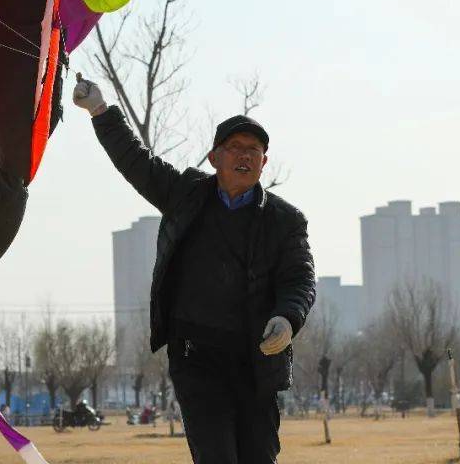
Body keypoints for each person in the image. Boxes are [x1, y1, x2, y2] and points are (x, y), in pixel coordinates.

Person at [73, 78, 315, 464]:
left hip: (255, 361)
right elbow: (136, 161)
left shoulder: (285, 220)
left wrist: (287, 319)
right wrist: (101, 111)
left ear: (264, 162)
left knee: (259, 457)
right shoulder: (185, 193)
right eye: (235, 147)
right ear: (214, 157)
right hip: (196, 357)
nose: (245, 156)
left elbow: (300, 279)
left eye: (254, 150)